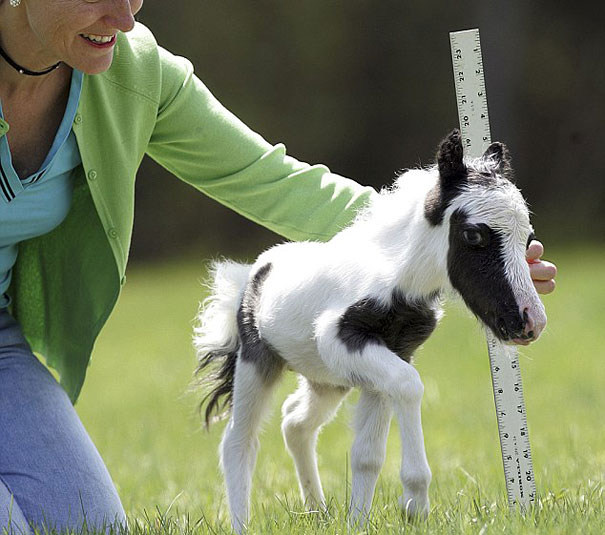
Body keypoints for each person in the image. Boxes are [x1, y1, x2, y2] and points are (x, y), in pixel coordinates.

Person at [0, 1, 557, 532]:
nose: (125, 18)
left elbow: (276, 183)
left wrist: (449, 245)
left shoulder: (134, 71)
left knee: (88, 525)